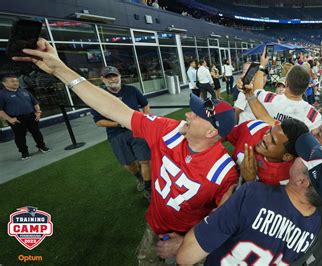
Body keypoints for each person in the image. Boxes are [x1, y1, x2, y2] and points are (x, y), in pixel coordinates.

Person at [15, 38, 239, 264]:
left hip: (189, 239)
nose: (188, 115)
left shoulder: (225, 172)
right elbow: (114, 108)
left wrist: (185, 242)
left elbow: (225, 222)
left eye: (197, 114)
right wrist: (61, 70)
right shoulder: (169, 130)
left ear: (212, 133)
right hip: (154, 225)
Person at [176, 132, 322, 265]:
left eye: (304, 158)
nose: (298, 155)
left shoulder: (253, 195)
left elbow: (185, 257)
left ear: (302, 181)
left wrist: (223, 207)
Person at [91, 66, 151, 198]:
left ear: (119, 76)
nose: (112, 79)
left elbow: (145, 104)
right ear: (102, 79)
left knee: (145, 161)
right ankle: (139, 177)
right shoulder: (99, 97)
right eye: (108, 77)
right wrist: (119, 123)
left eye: (114, 76)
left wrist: (145, 119)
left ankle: (148, 187)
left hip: (137, 131)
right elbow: (98, 121)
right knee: (128, 163)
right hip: (116, 135)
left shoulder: (131, 90)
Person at [243, 51, 322, 130]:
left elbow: (257, 90)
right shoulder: (313, 115)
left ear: (286, 83)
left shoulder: (269, 98)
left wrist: (262, 65)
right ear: (306, 88)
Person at [226, 118, 308, 186]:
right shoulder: (256, 128)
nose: (265, 138)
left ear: (286, 156)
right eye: (269, 131)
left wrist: (250, 181)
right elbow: (223, 136)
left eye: (272, 141)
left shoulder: (286, 180)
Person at [0, 74, 49, 160]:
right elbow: (0, 110)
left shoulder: (24, 91)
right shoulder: (1, 94)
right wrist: (9, 119)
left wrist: (38, 112)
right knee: (20, 136)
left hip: (31, 116)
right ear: (4, 83)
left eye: (16, 81)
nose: (15, 83)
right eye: (12, 81)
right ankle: (24, 153)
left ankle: (42, 146)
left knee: (36, 132)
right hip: (16, 119)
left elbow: (35, 103)